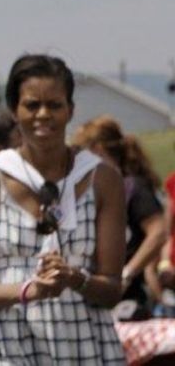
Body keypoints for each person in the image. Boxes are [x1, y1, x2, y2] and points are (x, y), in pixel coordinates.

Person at [0, 54, 126, 364]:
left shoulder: (103, 178)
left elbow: (113, 289)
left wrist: (74, 278)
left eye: (55, 105)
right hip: (3, 341)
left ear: (70, 110)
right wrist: (29, 290)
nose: (43, 114)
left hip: (81, 343)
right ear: (14, 111)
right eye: (32, 105)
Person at [72, 116, 166, 320]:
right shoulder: (98, 191)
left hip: (128, 303)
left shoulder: (131, 187)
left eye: (81, 152)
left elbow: (159, 232)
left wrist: (127, 273)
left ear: (97, 150)